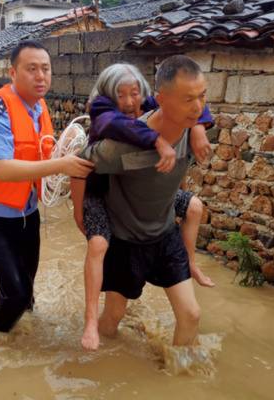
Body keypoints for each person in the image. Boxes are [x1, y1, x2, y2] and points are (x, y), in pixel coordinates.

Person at [71, 63, 214, 351]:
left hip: (164, 233)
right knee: (113, 317)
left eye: (202, 96)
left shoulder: (194, 127)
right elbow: (80, 166)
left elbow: (181, 168)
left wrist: (198, 127)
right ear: (161, 99)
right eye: (188, 99)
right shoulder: (118, 146)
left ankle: (175, 384)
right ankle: (91, 353)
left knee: (192, 314)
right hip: (126, 241)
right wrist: (79, 213)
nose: (197, 107)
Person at [0, 40, 94, 333]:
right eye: (31, 69)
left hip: (26, 214)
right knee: (16, 294)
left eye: (45, 69)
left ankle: (19, 332)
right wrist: (61, 165)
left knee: (26, 291)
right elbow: (4, 170)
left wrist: (63, 152)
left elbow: (42, 154)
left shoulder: (39, 107)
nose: (40, 76)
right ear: (13, 73)